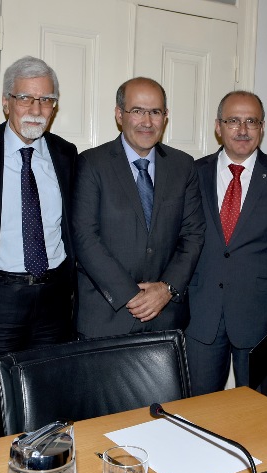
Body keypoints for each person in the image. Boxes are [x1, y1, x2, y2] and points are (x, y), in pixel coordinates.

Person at [0, 56, 78, 443]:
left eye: (46, 100)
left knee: (49, 409)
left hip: (53, 303)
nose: (36, 109)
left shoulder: (65, 154)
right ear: (5, 101)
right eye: (25, 98)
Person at [186, 91, 267, 397]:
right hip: (201, 311)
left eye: (251, 121)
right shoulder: (193, 173)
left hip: (260, 315)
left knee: (255, 407)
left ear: (262, 127)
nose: (242, 129)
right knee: (199, 407)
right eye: (233, 121)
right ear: (218, 126)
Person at [73, 77, 205, 338]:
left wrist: (166, 289)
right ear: (119, 114)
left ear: (165, 116)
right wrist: (130, 295)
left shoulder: (183, 166)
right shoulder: (91, 163)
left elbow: (193, 234)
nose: (147, 122)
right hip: (107, 315)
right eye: (137, 111)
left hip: (166, 315)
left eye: (155, 112)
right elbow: (85, 237)